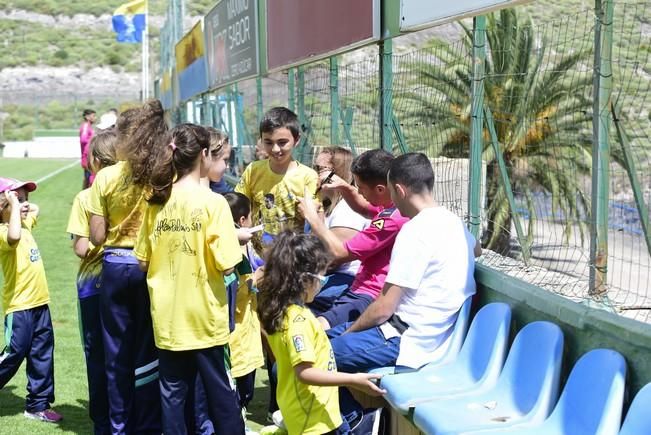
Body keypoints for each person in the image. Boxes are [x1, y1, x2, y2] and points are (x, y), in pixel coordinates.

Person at [135, 123, 245, 435]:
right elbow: (227, 265)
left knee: (172, 394)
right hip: (205, 317)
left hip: (168, 317)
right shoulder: (213, 204)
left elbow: (142, 262)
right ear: (204, 155)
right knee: (221, 392)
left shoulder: (156, 202)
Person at [327, 153, 481, 373]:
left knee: (311, 357)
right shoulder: (454, 223)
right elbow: (478, 249)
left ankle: (356, 408)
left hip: (405, 339)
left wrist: (348, 334)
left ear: (399, 191)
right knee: (320, 343)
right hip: (432, 337)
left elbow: (383, 309)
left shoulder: (414, 231)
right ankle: (359, 408)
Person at [257, 231, 386, 435]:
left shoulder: (288, 312)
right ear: (305, 280)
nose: (323, 282)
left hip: (320, 412)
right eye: (321, 277)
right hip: (312, 419)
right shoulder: (297, 321)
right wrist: (353, 380)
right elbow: (305, 373)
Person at [88, 101, 165, 434]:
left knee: (116, 355)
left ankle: (119, 427)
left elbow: (96, 235)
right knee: (148, 353)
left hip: (115, 268)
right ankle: (147, 426)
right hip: (151, 267)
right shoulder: (163, 172)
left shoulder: (105, 177)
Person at [299, 149, 408, 330]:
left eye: (361, 188)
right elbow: (365, 208)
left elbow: (340, 252)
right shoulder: (391, 206)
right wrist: (345, 187)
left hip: (369, 293)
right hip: (360, 287)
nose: (358, 191)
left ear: (380, 189)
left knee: (311, 331)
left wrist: (313, 218)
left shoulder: (392, 220)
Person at [66, 130, 118, 434]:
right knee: (126, 352)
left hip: (92, 287)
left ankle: (102, 421)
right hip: (129, 281)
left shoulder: (85, 197)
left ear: (94, 161)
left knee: (96, 354)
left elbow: (81, 247)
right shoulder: (131, 193)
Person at [0, 177, 63, 423]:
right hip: (20, 307)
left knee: (42, 354)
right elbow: (13, 236)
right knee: (14, 354)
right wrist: (14, 206)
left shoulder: (24, 224)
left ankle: (37, 405)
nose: (25, 205)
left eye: (25, 200)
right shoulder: (5, 232)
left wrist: (18, 203)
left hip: (40, 303)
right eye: (18, 201)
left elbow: (35, 209)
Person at [235, 107, 318, 252]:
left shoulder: (308, 177)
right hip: (258, 257)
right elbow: (237, 204)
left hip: (292, 257)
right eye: (268, 142)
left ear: (296, 139)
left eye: (282, 142)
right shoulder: (253, 170)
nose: (275, 149)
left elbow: (315, 222)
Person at [307, 147, 370, 314]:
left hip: (346, 278)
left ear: (337, 173)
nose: (313, 174)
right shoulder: (325, 203)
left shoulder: (347, 210)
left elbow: (333, 258)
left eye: (319, 169)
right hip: (322, 273)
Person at [222, 192, 265, 424]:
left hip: (245, 335)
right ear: (242, 221)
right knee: (239, 392)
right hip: (238, 340)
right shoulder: (233, 254)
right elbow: (237, 293)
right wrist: (258, 278)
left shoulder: (240, 247)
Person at [80, 109, 96, 188]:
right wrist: (93, 139)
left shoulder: (88, 126)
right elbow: (83, 139)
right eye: (93, 116)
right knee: (89, 179)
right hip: (87, 157)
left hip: (89, 156)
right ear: (87, 117)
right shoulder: (86, 125)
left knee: (89, 179)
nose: (95, 118)